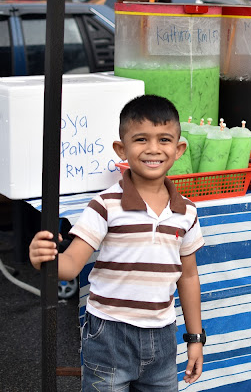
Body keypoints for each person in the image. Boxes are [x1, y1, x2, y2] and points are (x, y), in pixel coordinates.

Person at [29, 95, 205, 390]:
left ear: (178, 149)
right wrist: (44, 259)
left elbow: (188, 277)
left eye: (164, 139)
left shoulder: (186, 211)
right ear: (121, 149)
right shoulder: (105, 205)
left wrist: (195, 339)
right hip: (108, 335)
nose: (153, 149)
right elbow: (71, 265)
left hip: (162, 338)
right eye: (140, 139)